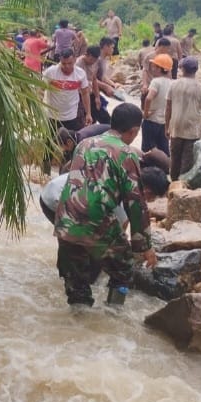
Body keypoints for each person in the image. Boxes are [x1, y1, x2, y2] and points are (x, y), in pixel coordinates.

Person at [54, 103, 159, 307]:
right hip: (95, 220)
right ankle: (114, 313)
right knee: (124, 268)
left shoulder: (84, 144)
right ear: (134, 131)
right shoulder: (127, 153)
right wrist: (145, 246)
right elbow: (136, 204)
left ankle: (78, 320)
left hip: (65, 218)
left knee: (77, 283)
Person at [40, 166, 169, 225]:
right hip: (55, 199)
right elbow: (122, 225)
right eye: (153, 198)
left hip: (53, 188)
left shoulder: (126, 174)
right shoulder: (125, 190)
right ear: (147, 191)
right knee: (79, 243)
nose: (150, 201)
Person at [43, 48, 91, 132]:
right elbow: (40, 89)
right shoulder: (50, 72)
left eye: (70, 63)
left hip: (72, 116)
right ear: (60, 60)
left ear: (75, 60)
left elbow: (85, 93)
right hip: (52, 116)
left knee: (72, 139)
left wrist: (88, 113)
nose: (67, 66)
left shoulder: (80, 74)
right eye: (63, 63)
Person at [141, 53, 173, 155]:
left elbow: (149, 98)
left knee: (148, 150)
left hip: (152, 120)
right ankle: (165, 164)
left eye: (154, 66)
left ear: (160, 69)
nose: (152, 69)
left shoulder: (156, 82)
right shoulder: (172, 83)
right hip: (164, 122)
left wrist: (145, 113)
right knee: (163, 149)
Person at [75, 46, 104, 126]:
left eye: (95, 60)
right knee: (81, 118)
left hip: (89, 93)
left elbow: (94, 79)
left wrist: (97, 97)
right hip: (80, 94)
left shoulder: (94, 63)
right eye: (91, 59)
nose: (92, 62)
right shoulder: (78, 64)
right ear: (86, 55)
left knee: (96, 114)